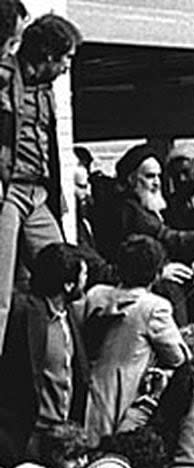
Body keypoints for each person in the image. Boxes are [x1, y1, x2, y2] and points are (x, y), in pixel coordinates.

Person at [0, 14, 82, 354]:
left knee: (69, 274)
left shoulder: (48, 91)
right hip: (8, 192)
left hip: (38, 194)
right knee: (1, 294)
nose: (66, 66)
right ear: (47, 54)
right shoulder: (4, 77)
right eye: (65, 58)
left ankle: (57, 359)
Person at [80, 234, 189, 441]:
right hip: (126, 401)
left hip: (89, 396)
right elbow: (177, 357)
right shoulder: (154, 308)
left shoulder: (95, 294)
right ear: (157, 274)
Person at [0, 243, 90, 468]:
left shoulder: (68, 314)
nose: (86, 280)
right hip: (26, 438)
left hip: (61, 438)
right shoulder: (23, 312)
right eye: (84, 275)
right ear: (68, 285)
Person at [114, 143, 194, 325]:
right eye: (149, 176)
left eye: (158, 176)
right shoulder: (129, 209)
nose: (156, 182)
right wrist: (160, 272)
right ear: (131, 179)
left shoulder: (148, 207)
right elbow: (164, 236)